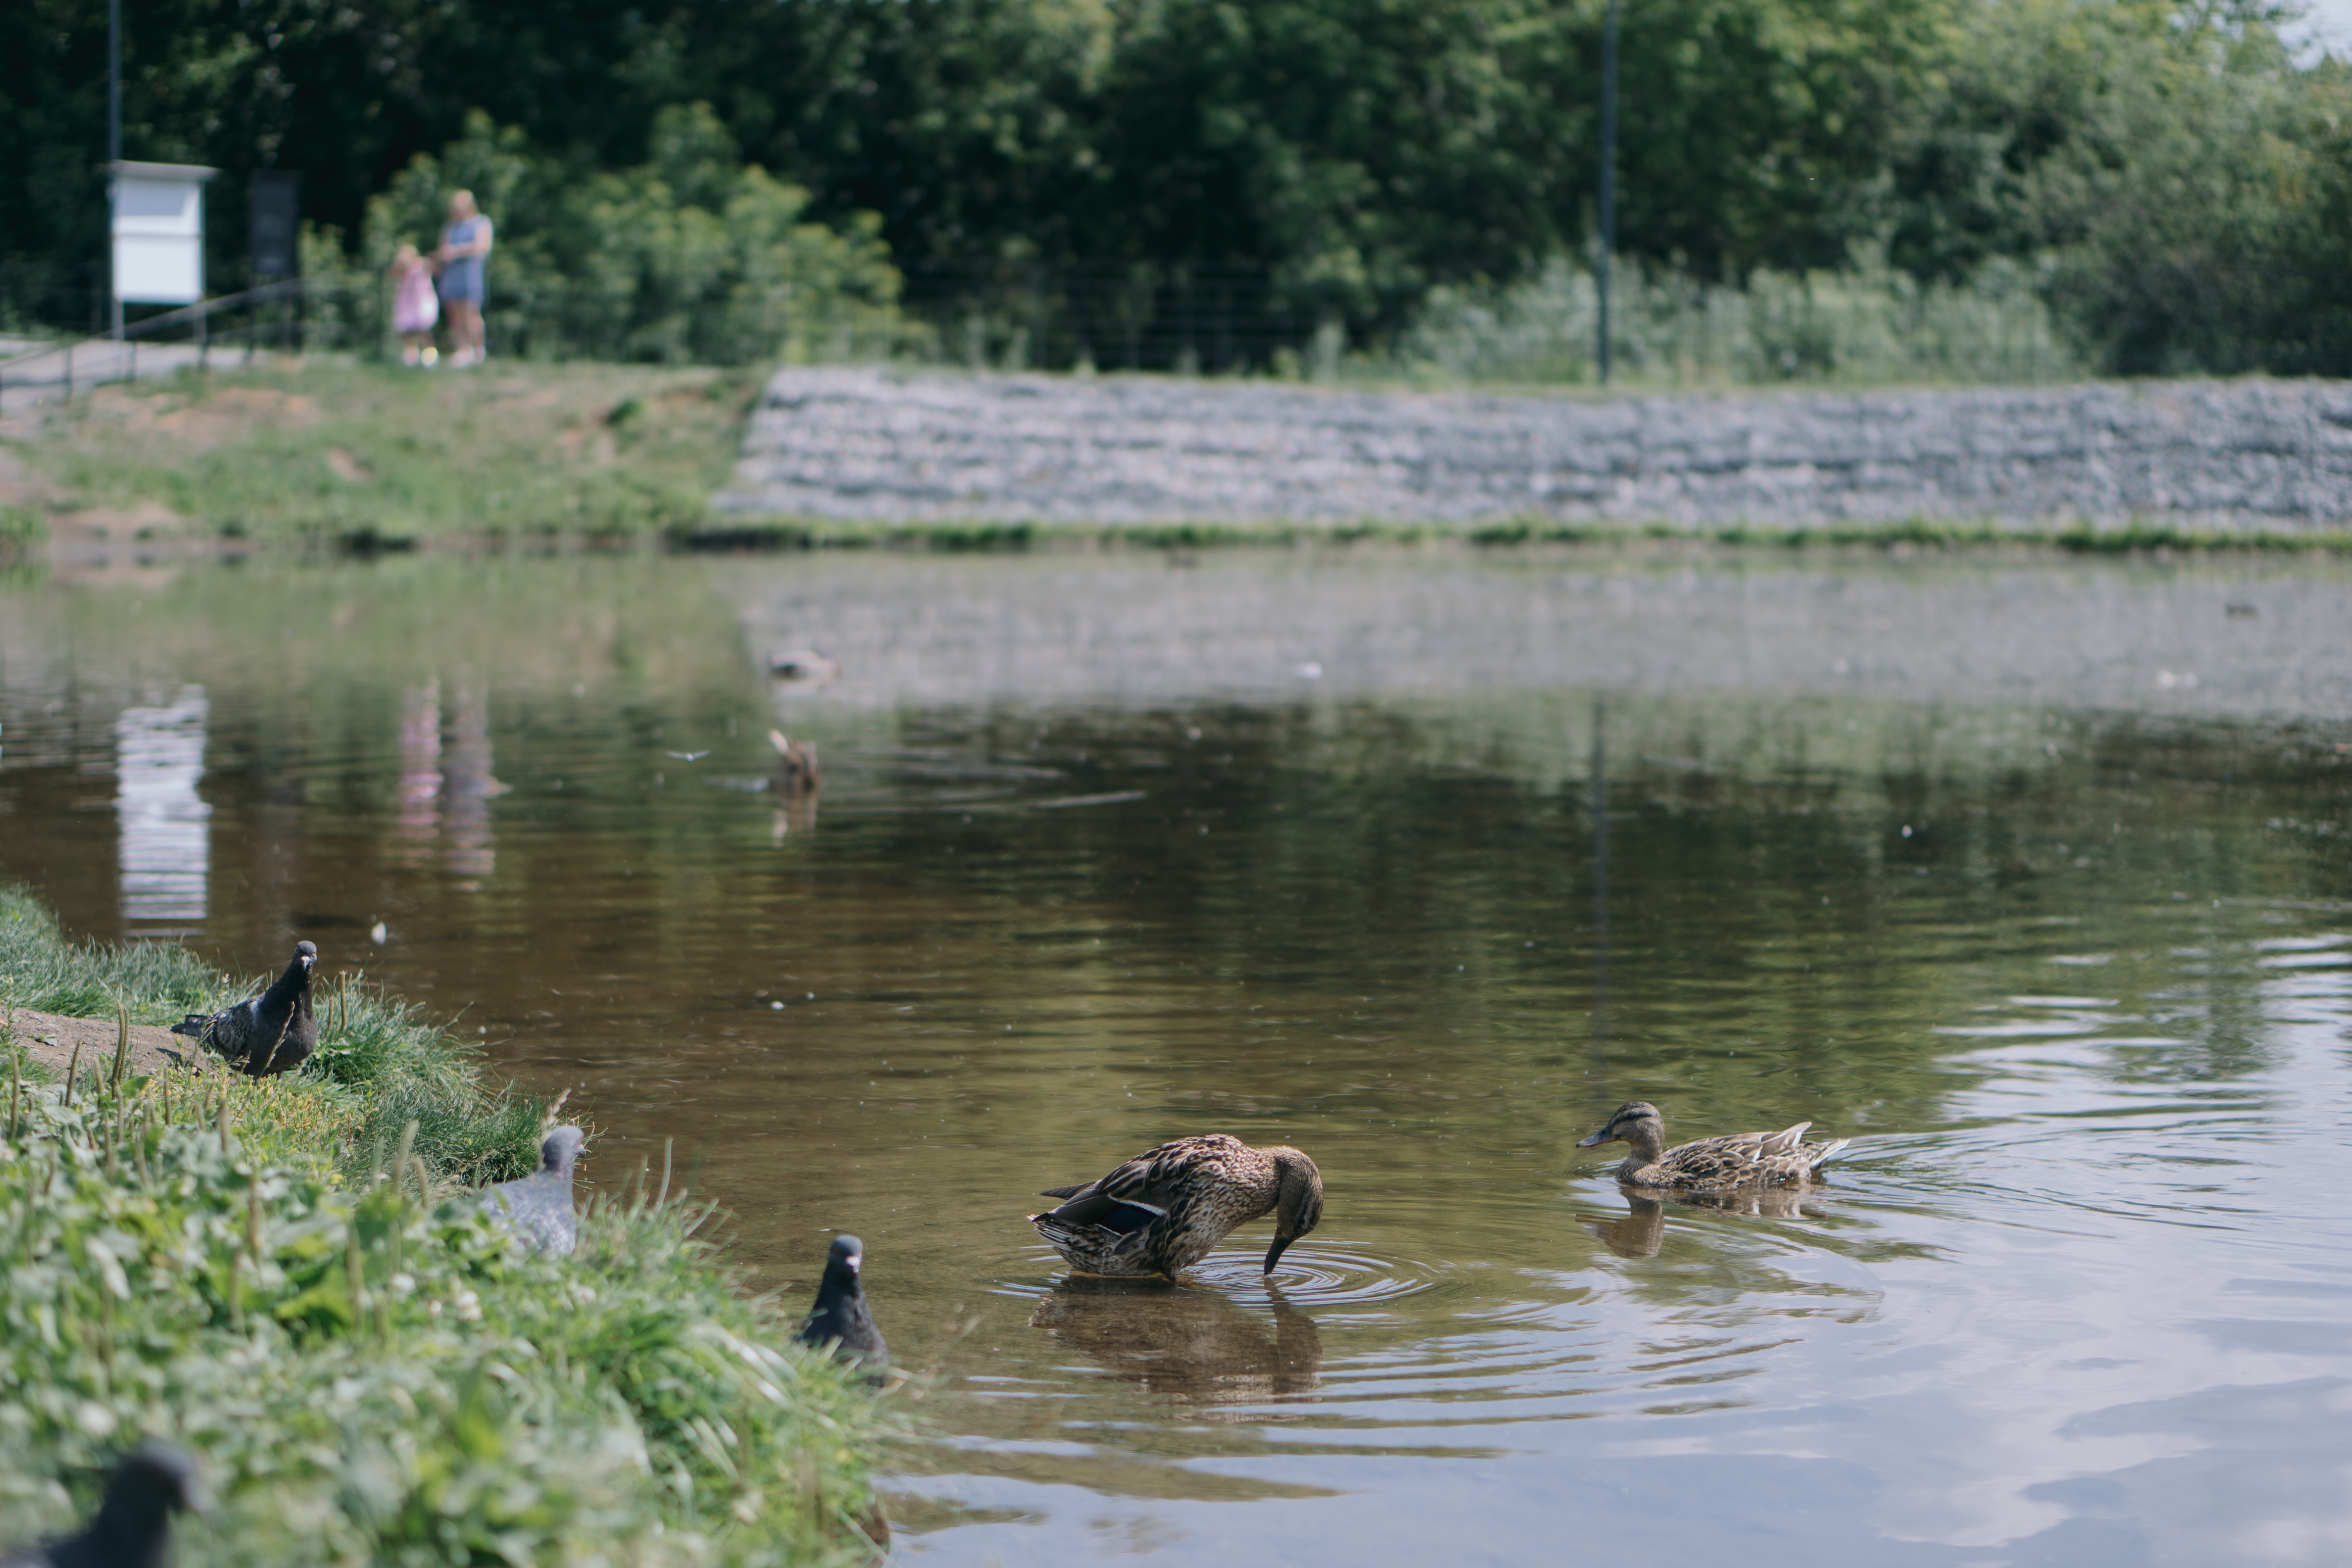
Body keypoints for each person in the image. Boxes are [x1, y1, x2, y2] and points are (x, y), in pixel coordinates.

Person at [435, 190, 494, 367]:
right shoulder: (450, 227)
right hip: (452, 274)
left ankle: (478, 350)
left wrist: (457, 251)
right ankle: (462, 350)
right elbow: (443, 248)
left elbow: (483, 247)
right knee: (455, 317)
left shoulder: (481, 223)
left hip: (470, 274)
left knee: (471, 315)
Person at [388, 244, 440, 366]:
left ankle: (430, 359)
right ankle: (411, 357)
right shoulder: (401, 270)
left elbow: (433, 268)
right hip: (407, 305)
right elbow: (391, 274)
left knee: (424, 332)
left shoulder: (421, 265)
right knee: (407, 333)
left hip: (421, 304)